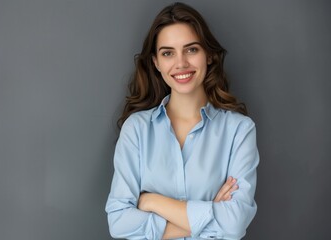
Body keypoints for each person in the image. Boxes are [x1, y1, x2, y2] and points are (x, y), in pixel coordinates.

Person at [105, 2, 259, 239]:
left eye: (191, 49)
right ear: (156, 62)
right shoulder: (136, 129)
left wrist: (150, 200)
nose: (181, 63)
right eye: (168, 53)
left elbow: (235, 224)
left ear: (208, 55)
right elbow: (118, 222)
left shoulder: (239, 130)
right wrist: (210, 214)